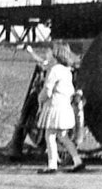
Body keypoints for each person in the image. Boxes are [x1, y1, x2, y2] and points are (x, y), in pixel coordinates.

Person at [34, 42, 86, 174]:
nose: (47, 54)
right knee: (63, 136)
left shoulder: (54, 70)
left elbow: (47, 90)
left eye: (49, 52)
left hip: (54, 107)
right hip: (65, 106)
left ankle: (52, 165)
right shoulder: (67, 71)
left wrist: (40, 98)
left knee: (49, 135)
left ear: (56, 54)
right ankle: (77, 160)